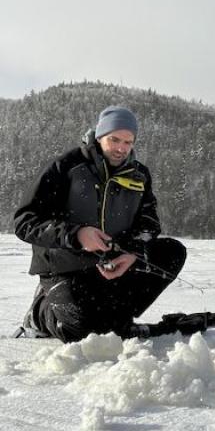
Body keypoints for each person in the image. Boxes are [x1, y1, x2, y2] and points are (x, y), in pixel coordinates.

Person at [13, 105, 198, 342]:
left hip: (113, 264)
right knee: (79, 331)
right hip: (65, 267)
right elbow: (25, 220)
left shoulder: (139, 174)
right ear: (100, 136)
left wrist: (132, 251)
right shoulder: (66, 166)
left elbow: (149, 222)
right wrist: (76, 235)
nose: (121, 148)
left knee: (171, 252)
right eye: (115, 139)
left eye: (128, 142)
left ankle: (117, 317)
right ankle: (40, 313)